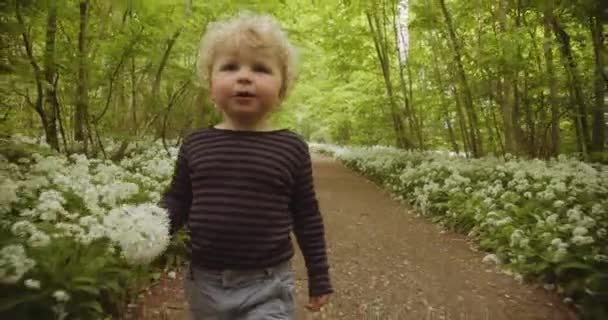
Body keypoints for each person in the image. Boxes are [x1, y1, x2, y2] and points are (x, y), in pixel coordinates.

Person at [160, 11, 333, 320]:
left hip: (268, 285)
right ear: (211, 84)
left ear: (283, 89)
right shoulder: (196, 143)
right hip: (204, 284)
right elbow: (177, 200)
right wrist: (150, 232)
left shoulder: (291, 147)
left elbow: (307, 215)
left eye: (261, 69)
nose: (244, 76)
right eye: (230, 67)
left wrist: (319, 275)